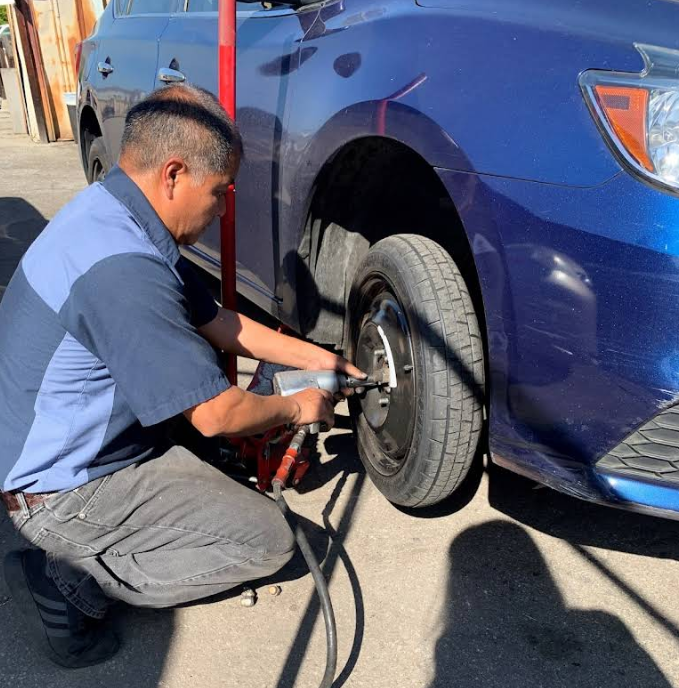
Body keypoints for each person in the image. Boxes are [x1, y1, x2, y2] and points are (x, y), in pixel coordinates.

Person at [0, 84, 364, 668]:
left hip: (62, 445)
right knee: (269, 539)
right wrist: (299, 409)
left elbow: (218, 321)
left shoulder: (115, 213)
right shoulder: (123, 272)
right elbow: (217, 415)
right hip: (59, 490)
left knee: (225, 451)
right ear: (174, 174)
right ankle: (68, 580)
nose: (221, 209)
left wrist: (313, 359)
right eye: (219, 192)